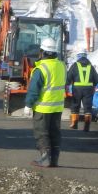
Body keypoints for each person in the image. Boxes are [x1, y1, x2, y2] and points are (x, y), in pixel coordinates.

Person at [23, 37, 66, 168]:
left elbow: (34, 89)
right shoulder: (62, 66)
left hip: (43, 108)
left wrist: (28, 105)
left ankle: (45, 159)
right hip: (57, 108)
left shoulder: (41, 69)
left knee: (42, 133)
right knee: (54, 133)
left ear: (42, 52)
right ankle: (54, 160)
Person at [66, 50, 98, 131]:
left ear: (78, 56)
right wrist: (93, 85)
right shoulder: (90, 66)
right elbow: (96, 80)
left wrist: (67, 84)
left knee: (75, 105)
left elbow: (69, 77)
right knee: (87, 107)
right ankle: (87, 126)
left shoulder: (75, 65)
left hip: (77, 89)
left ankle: (74, 124)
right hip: (88, 90)